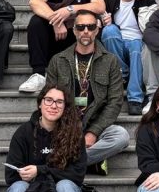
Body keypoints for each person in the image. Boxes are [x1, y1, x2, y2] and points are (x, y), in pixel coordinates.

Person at [44, 9, 130, 170]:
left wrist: (93, 132)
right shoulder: (58, 60)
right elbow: (48, 98)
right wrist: (64, 128)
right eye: (81, 27)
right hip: (64, 124)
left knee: (121, 136)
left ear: (97, 30)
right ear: (74, 30)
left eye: (90, 27)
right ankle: (88, 162)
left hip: (95, 123)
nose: (85, 31)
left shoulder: (110, 61)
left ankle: (66, 162)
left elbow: (115, 101)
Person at [23, 0, 105, 95]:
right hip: (54, 41)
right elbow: (34, 1)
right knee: (36, 21)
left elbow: (99, 6)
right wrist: (56, 21)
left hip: (77, 42)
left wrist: (70, 9)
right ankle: (39, 74)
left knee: (90, 24)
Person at [100, 0, 156, 116]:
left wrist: (142, 0)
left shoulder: (148, 1)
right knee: (109, 30)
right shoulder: (110, 1)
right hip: (117, 45)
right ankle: (124, 73)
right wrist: (102, 22)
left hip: (138, 44)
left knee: (136, 46)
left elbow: (150, 28)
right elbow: (96, 23)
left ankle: (135, 99)